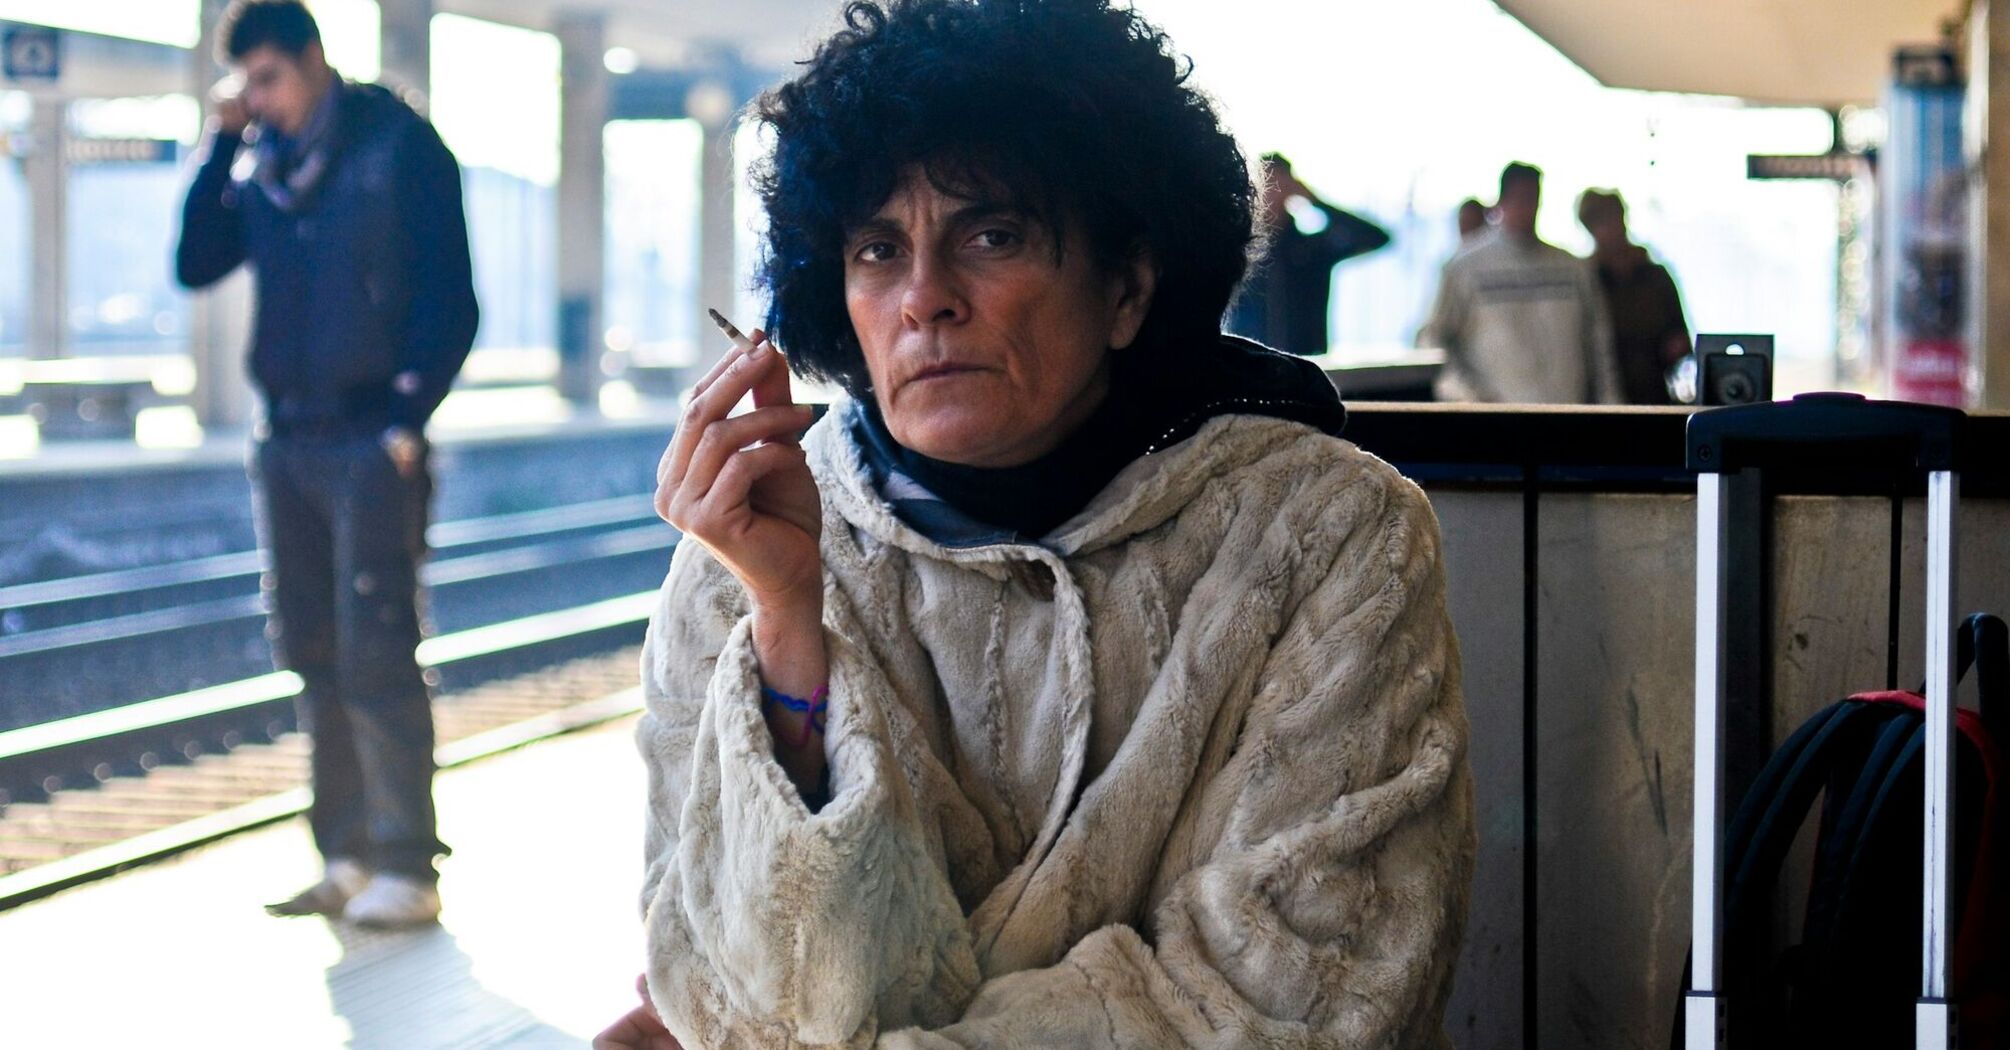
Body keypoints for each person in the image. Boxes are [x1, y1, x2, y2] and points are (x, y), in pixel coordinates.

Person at [601, 1, 1474, 1047]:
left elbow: (1300, 996)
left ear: (1128, 287)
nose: (925, 297)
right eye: (879, 249)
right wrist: (790, 626)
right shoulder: (740, 557)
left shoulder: (1326, 535)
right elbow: (724, 993)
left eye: (992, 234)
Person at [175, 0, 478, 926]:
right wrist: (218, 146)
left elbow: (452, 300)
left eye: (267, 79)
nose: (255, 99)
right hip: (290, 439)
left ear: (311, 60)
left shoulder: (399, 147)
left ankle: (407, 867)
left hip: (367, 437)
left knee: (378, 643)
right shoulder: (263, 161)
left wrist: (406, 416)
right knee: (313, 651)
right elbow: (195, 262)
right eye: (245, 84)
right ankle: (343, 854)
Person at [1421, 161, 1620, 403]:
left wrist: (1610, 405)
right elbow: (1431, 341)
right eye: (1520, 197)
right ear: (1502, 201)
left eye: (1533, 198)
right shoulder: (1465, 269)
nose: (1527, 207)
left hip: (1566, 417)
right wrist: (1468, 399)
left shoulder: (1571, 268)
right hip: (1495, 421)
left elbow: (1600, 344)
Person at [1226, 152, 1391, 356]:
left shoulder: (1312, 248)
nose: (1272, 193)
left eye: (1279, 184)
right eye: (1266, 184)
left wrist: (1316, 201)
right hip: (1248, 367)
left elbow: (1375, 237)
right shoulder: (1241, 249)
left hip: (1305, 367)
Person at [1577, 189, 1691, 404]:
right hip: (1603, 397)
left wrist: (1673, 348)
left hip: (1654, 391)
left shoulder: (1654, 277)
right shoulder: (1588, 281)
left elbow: (1679, 338)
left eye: (1613, 218)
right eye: (1600, 222)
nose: (1610, 229)